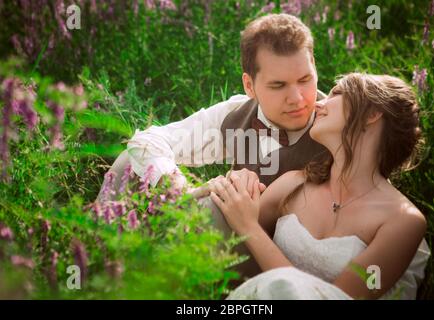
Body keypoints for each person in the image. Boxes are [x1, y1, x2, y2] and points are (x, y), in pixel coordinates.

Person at [97, 14, 328, 278]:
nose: (297, 98)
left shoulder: (339, 120)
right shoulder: (236, 115)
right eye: (278, 85)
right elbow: (148, 140)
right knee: (129, 164)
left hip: (278, 257)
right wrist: (177, 188)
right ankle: (98, 268)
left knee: (214, 209)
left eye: (304, 79)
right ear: (250, 85)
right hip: (225, 240)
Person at [209, 73, 431, 299]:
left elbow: (341, 297)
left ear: (372, 113)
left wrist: (249, 228)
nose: (318, 103)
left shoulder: (404, 221)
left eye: (336, 93)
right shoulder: (293, 184)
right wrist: (237, 183)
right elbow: (231, 220)